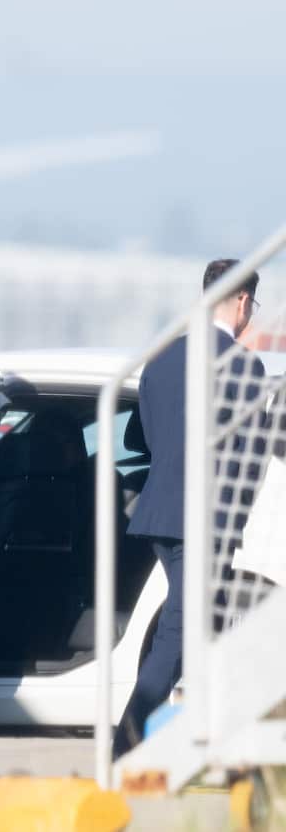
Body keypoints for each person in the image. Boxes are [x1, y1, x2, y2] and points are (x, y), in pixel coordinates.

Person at [112, 258, 264, 760]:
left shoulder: (161, 358)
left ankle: (189, 739)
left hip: (161, 514)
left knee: (194, 628)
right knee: (181, 629)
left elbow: (152, 439)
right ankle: (126, 746)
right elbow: (249, 454)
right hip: (207, 519)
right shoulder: (241, 364)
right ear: (242, 301)